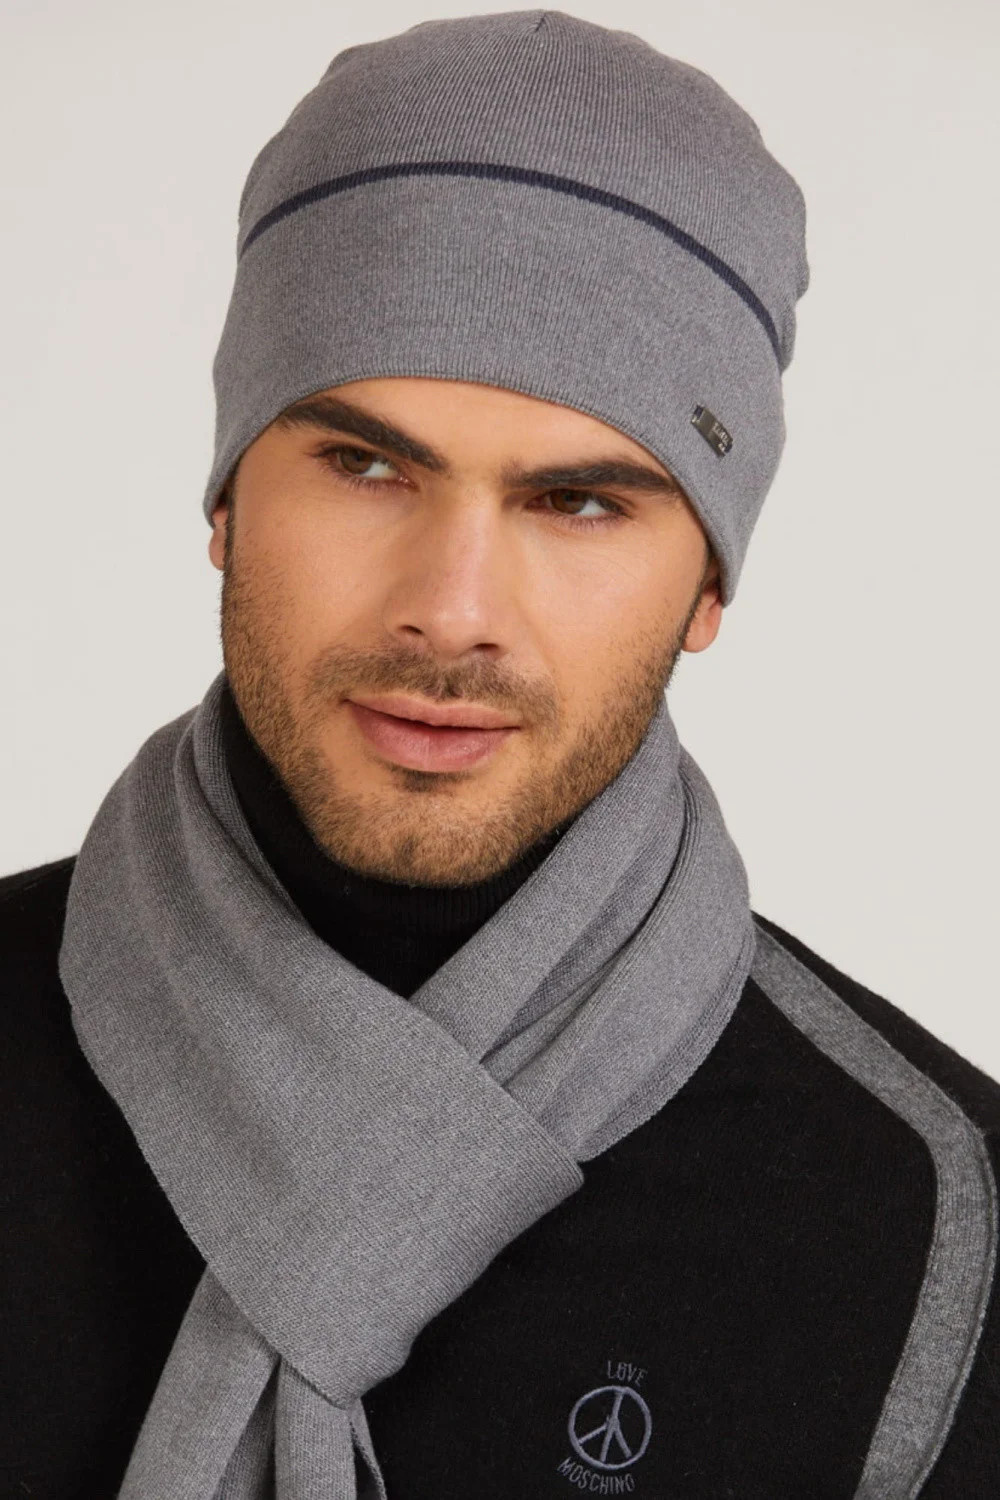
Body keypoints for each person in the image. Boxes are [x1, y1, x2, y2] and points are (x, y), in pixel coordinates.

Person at [2, 11, 997, 1499]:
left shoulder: (928, 1227)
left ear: (709, 585)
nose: (452, 610)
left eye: (580, 504)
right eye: (365, 465)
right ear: (225, 502)